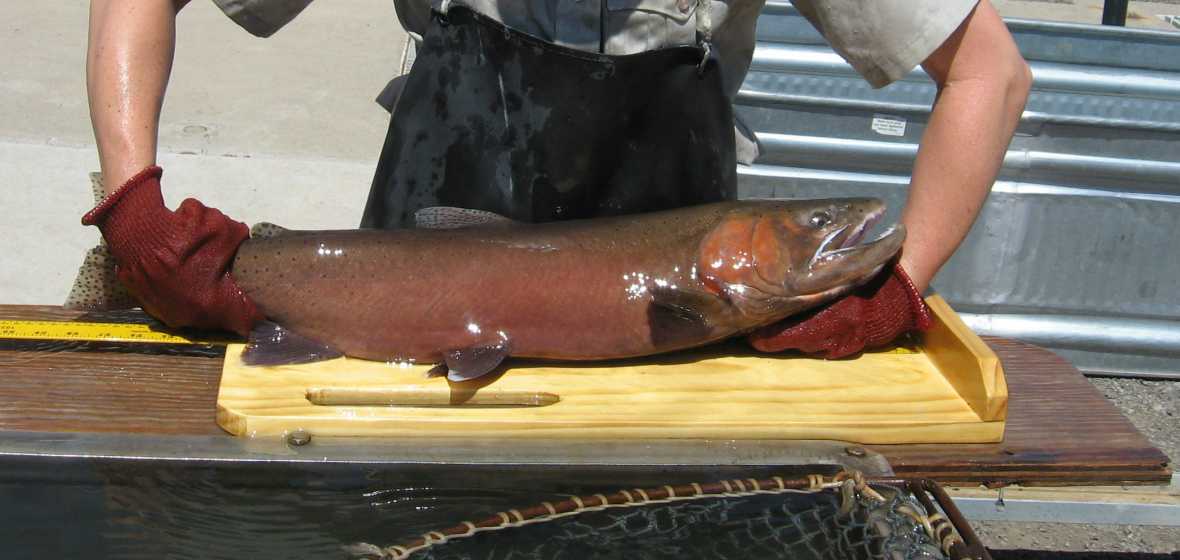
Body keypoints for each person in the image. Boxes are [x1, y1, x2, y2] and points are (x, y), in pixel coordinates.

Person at [82, 0, 1031, 358]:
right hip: (407, 290)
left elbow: (990, 70)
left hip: (682, 319)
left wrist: (904, 283)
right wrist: (134, 209)